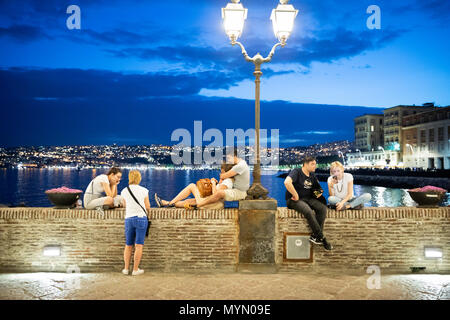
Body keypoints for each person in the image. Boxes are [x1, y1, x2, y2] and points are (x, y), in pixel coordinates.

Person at [284, 156, 332, 250]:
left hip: (308, 199)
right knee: (308, 211)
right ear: (305, 164)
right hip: (294, 200)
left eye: (315, 164)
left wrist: (320, 191)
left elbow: (318, 191)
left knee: (322, 208)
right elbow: (287, 182)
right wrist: (295, 195)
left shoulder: (312, 176)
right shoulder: (297, 171)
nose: (315, 166)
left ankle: (315, 236)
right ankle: (322, 238)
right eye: (312, 164)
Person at [154, 162, 235, 209]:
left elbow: (216, 195)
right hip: (211, 203)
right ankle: (166, 203)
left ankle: (169, 203)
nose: (220, 173)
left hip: (211, 204)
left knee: (192, 186)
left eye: (222, 171)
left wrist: (213, 184)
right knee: (187, 202)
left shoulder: (227, 182)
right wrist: (218, 182)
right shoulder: (227, 181)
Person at [120, 170, 150, 276]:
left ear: (129, 178)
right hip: (141, 218)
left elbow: (124, 205)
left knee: (128, 245)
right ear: (139, 178)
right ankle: (135, 270)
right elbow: (147, 207)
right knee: (138, 245)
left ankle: (126, 269)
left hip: (129, 219)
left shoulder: (124, 191)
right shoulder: (144, 190)